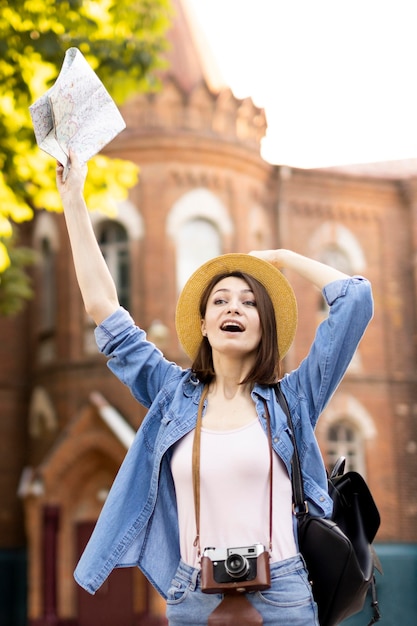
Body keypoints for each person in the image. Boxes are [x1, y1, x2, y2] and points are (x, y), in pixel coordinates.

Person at [56, 153, 373, 625]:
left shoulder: (295, 398)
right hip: (193, 593)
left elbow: (355, 299)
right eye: (220, 300)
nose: (234, 307)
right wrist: (73, 199)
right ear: (204, 325)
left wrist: (281, 259)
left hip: (283, 591)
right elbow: (104, 307)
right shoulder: (172, 394)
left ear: (264, 326)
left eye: (249, 302)